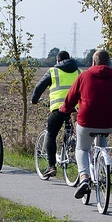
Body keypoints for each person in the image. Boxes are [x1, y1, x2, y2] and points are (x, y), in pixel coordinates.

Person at [61, 49, 112, 199]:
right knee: (102, 140)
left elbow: (70, 99)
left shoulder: (83, 76)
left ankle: (84, 178)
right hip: (110, 123)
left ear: (93, 62)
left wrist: (63, 110)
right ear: (109, 63)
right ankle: (103, 167)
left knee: (82, 148)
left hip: (86, 122)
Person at [31, 50, 80, 179]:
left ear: (57, 61)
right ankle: (71, 149)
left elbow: (39, 87)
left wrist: (34, 100)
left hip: (59, 109)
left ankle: (51, 166)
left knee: (51, 134)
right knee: (74, 132)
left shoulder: (53, 71)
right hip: (75, 110)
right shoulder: (79, 72)